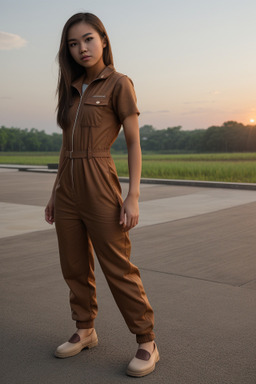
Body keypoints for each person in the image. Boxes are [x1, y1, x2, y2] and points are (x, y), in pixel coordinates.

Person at [45, 12, 159, 377]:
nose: (82, 48)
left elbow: (133, 143)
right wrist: (53, 193)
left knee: (118, 266)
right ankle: (85, 329)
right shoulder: (71, 89)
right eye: (73, 43)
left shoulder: (119, 84)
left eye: (88, 39)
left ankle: (146, 340)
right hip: (67, 189)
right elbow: (65, 148)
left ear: (104, 40)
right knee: (74, 264)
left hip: (100, 181)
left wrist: (133, 195)